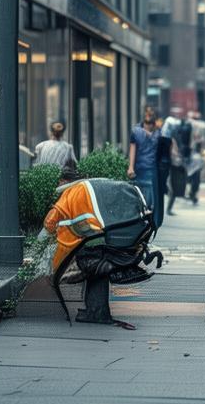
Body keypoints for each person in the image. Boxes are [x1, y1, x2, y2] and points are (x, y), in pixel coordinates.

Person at [42, 163, 114, 325]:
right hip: (103, 238)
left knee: (93, 270)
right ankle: (95, 309)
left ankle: (97, 313)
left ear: (63, 181)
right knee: (97, 272)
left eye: (58, 182)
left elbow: (50, 222)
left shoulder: (69, 193)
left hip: (86, 243)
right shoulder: (87, 190)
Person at [127, 107, 162, 229]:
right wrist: (130, 167)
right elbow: (132, 149)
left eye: (151, 112)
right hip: (139, 170)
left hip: (152, 171)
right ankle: (140, 227)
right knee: (140, 201)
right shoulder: (136, 131)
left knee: (150, 202)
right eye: (147, 112)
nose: (149, 114)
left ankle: (147, 228)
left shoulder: (159, 133)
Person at [162, 108, 191, 214]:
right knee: (172, 187)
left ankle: (169, 208)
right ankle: (168, 208)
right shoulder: (170, 136)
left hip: (172, 164)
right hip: (170, 164)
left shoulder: (173, 136)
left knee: (173, 186)